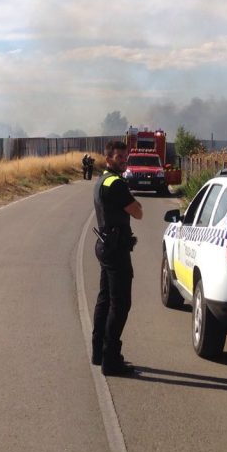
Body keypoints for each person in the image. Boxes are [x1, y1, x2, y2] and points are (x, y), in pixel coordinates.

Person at [91, 141, 143, 376]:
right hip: (116, 249)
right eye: (119, 157)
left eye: (125, 156)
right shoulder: (117, 183)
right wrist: (133, 203)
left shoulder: (102, 180)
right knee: (120, 304)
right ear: (108, 158)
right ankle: (111, 359)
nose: (124, 160)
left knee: (105, 300)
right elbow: (138, 212)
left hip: (104, 245)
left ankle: (99, 353)